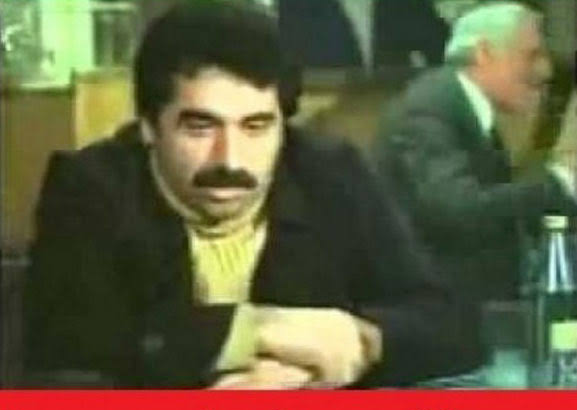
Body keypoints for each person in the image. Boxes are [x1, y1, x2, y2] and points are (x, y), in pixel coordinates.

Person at [24, 0, 480, 389]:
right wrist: (258, 332)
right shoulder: (91, 185)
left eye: (256, 126)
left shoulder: (331, 173)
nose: (230, 158)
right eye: (200, 127)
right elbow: (67, 343)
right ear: (148, 126)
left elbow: (452, 322)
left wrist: (359, 340)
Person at [373, 2, 577, 304]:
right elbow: (458, 211)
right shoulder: (428, 111)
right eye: (531, 56)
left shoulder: (464, 107)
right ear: (484, 53)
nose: (545, 70)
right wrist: (558, 185)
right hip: (437, 308)